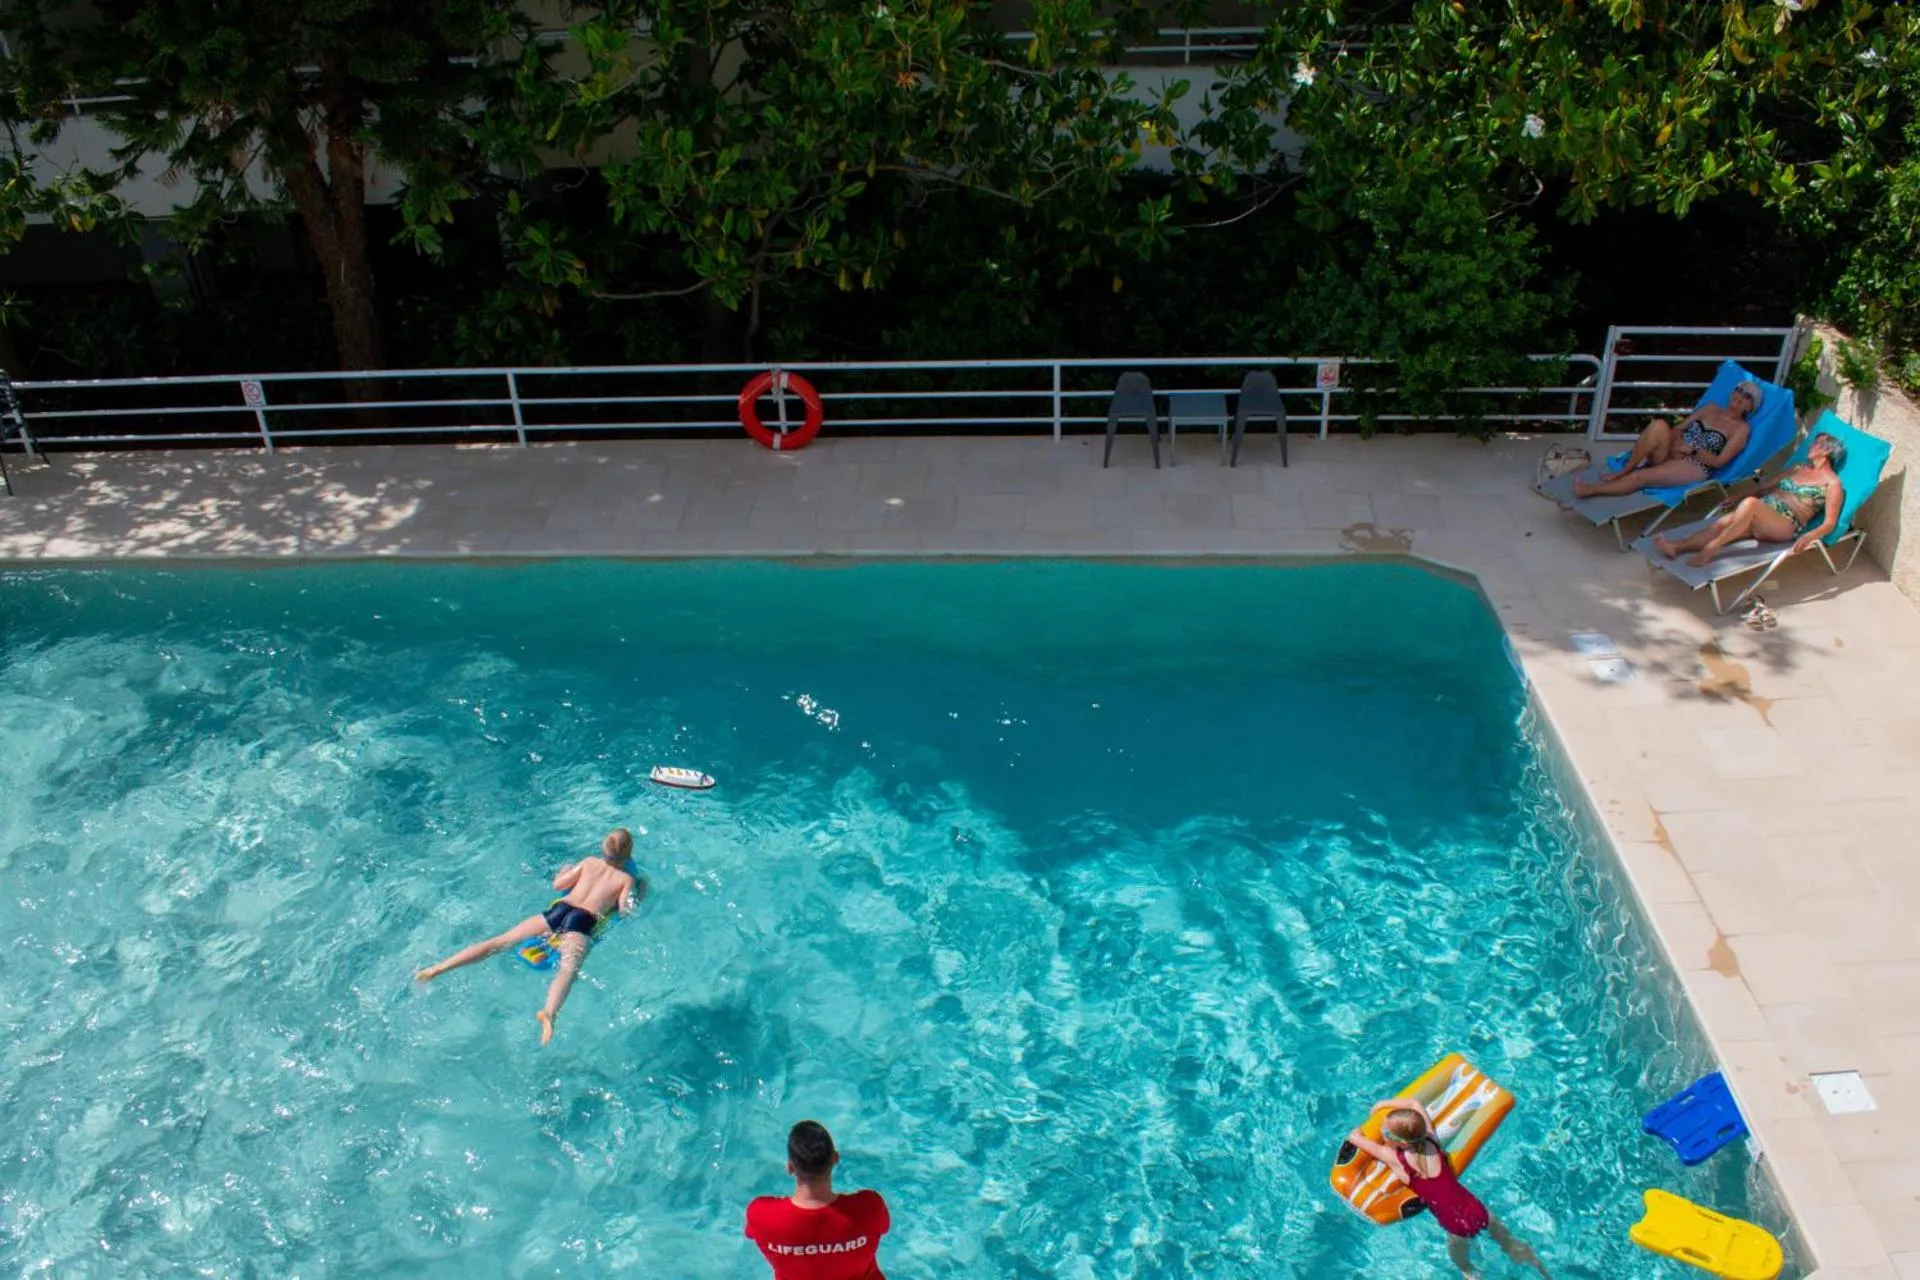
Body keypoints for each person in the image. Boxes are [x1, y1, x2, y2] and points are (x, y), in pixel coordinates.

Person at [414, 827, 644, 1045]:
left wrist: (565, 870)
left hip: (559, 910)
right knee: (567, 970)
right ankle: (549, 1013)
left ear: (603, 848)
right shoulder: (626, 880)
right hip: (583, 921)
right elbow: (625, 912)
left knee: (499, 942)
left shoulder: (589, 862)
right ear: (629, 853)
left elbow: (559, 885)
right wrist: (640, 892)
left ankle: (438, 968)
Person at [1345, 1098, 1549, 1279]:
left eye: (1386, 1131)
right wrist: (1384, 1106)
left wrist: (1376, 1110)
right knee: (1510, 1243)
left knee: (1463, 1264)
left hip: (1455, 1224)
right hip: (1476, 1208)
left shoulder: (1395, 1158)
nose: (1383, 1132)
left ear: (1402, 1142)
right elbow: (1415, 1104)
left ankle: (1470, 1274)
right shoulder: (1431, 1139)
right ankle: (1543, 1271)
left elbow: (1355, 1138)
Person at [1652, 431, 1847, 567]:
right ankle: (1676, 547)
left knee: (1751, 504)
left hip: (1785, 524)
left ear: (1827, 451)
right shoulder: (1798, 468)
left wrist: (1809, 536)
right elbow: (1765, 487)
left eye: (1816, 443)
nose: (1811, 445)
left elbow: (1830, 523)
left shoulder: (1832, 484)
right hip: (1763, 511)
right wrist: (1740, 496)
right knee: (1720, 524)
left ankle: (1712, 549)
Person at [744, 1121, 890, 1279]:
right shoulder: (870, 1207)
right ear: (835, 1158)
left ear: (790, 1167)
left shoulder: (761, 1215)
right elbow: (884, 1228)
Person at [1572, 379, 1763, 497]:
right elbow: (1679, 428)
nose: (1740, 396)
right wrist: (1677, 444)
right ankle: (1627, 468)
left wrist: (1691, 451)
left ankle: (1591, 490)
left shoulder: (1741, 429)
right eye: (1739, 390)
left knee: (1640, 477)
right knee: (1659, 425)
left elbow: (1720, 462)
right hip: (1675, 450)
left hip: (1695, 465)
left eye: (1747, 396)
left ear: (1750, 407)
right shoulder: (1710, 408)